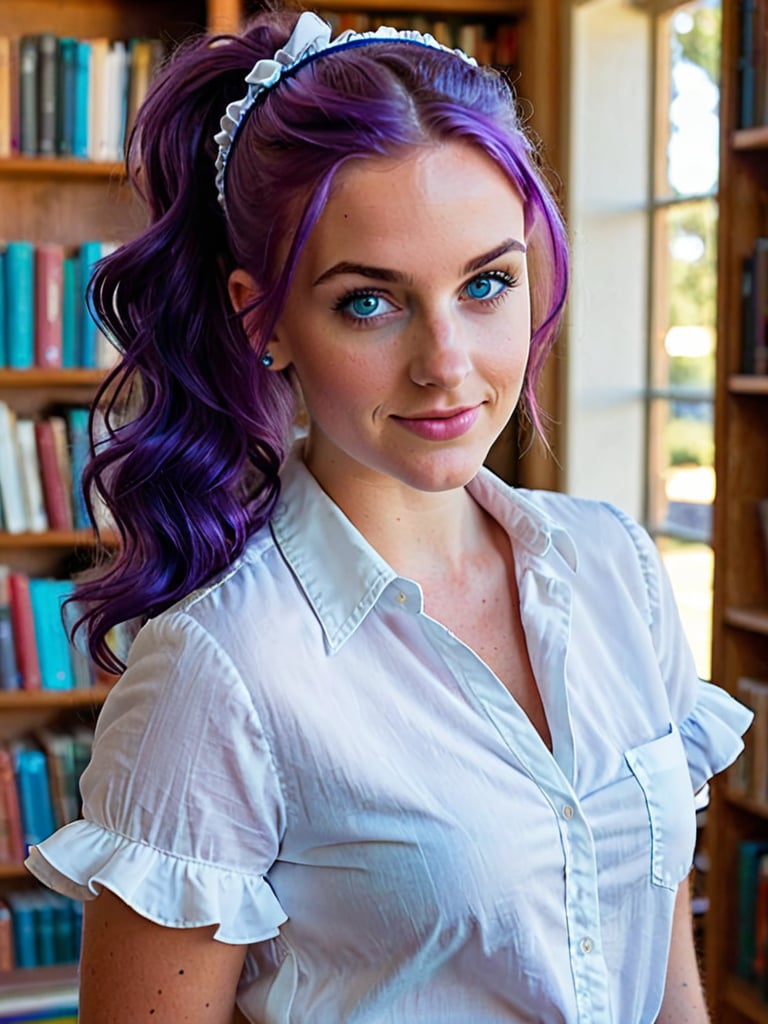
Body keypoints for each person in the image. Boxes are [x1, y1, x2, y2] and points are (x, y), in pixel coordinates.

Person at [25, 7, 750, 1023]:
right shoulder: (219, 670)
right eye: (372, 300)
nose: (448, 364)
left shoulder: (615, 563)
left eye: (486, 283)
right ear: (263, 318)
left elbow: (668, 974)